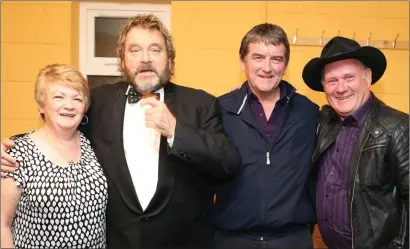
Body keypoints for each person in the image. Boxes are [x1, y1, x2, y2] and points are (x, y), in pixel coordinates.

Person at [1, 14, 241, 249]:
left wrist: (176, 130)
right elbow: (60, 125)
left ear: (169, 58)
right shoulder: (98, 101)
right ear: (123, 59)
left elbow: (227, 163)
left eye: (155, 49)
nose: (145, 58)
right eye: (135, 50)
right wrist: (16, 146)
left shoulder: (201, 103)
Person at [212, 23, 319, 249]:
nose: (267, 68)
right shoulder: (220, 110)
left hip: (292, 240)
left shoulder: (309, 112)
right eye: (258, 57)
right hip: (232, 240)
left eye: (276, 59)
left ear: (285, 64)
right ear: (243, 62)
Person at [302, 36, 409, 249]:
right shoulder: (323, 123)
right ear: (324, 86)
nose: (341, 88)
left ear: (367, 77)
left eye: (349, 77)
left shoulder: (397, 127)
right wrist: (252, 93)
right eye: (332, 81)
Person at [0, 64, 107, 248]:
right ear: (41, 106)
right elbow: (3, 224)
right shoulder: (19, 153)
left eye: (77, 99)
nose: (69, 105)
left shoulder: (94, 146)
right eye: (59, 97)